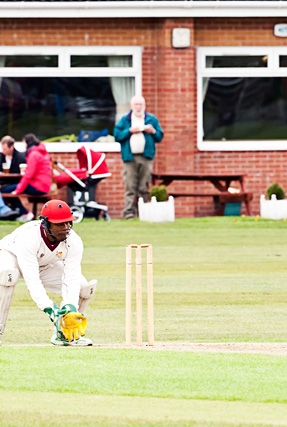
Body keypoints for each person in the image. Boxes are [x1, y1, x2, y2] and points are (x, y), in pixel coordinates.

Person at [0, 200, 97, 346]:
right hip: (10, 255)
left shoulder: (74, 241)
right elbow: (32, 281)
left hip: (44, 263)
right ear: (45, 224)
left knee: (83, 288)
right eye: (59, 224)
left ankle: (65, 334)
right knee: (8, 276)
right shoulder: (29, 238)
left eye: (68, 223)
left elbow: (71, 277)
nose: (65, 228)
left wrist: (70, 307)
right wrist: (51, 310)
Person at [114, 95, 164, 219]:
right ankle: (128, 213)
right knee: (130, 186)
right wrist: (130, 131)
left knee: (144, 186)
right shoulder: (125, 120)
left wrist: (152, 131)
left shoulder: (151, 119)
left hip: (146, 157)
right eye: (136, 104)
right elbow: (117, 135)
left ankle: (143, 213)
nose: (138, 107)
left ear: (144, 106)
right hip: (129, 158)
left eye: (141, 104)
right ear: (131, 106)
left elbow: (159, 136)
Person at [0, 133, 51, 222]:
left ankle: (24, 213)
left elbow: (28, 175)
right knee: (9, 191)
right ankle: (21, 213)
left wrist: (17, 191)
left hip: (37, 186)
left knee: (6, 190)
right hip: (44, 185)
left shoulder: (33, 154)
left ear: (27, 142)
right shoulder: (40, 152)